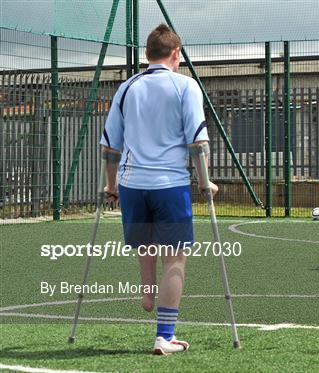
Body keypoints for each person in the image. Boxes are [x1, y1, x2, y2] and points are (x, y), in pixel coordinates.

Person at [100, 24, 218, 355]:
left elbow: (110, 147)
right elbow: (197, 142)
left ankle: (147, 293)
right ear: (176, 53)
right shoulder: (185, 86)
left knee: (145, 245)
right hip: (169, 183)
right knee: (175, 258)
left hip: (132, 184)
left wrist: (111, 186)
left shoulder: (126, 88)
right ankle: (165, 335)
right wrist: (205, 180)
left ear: (148, 54)